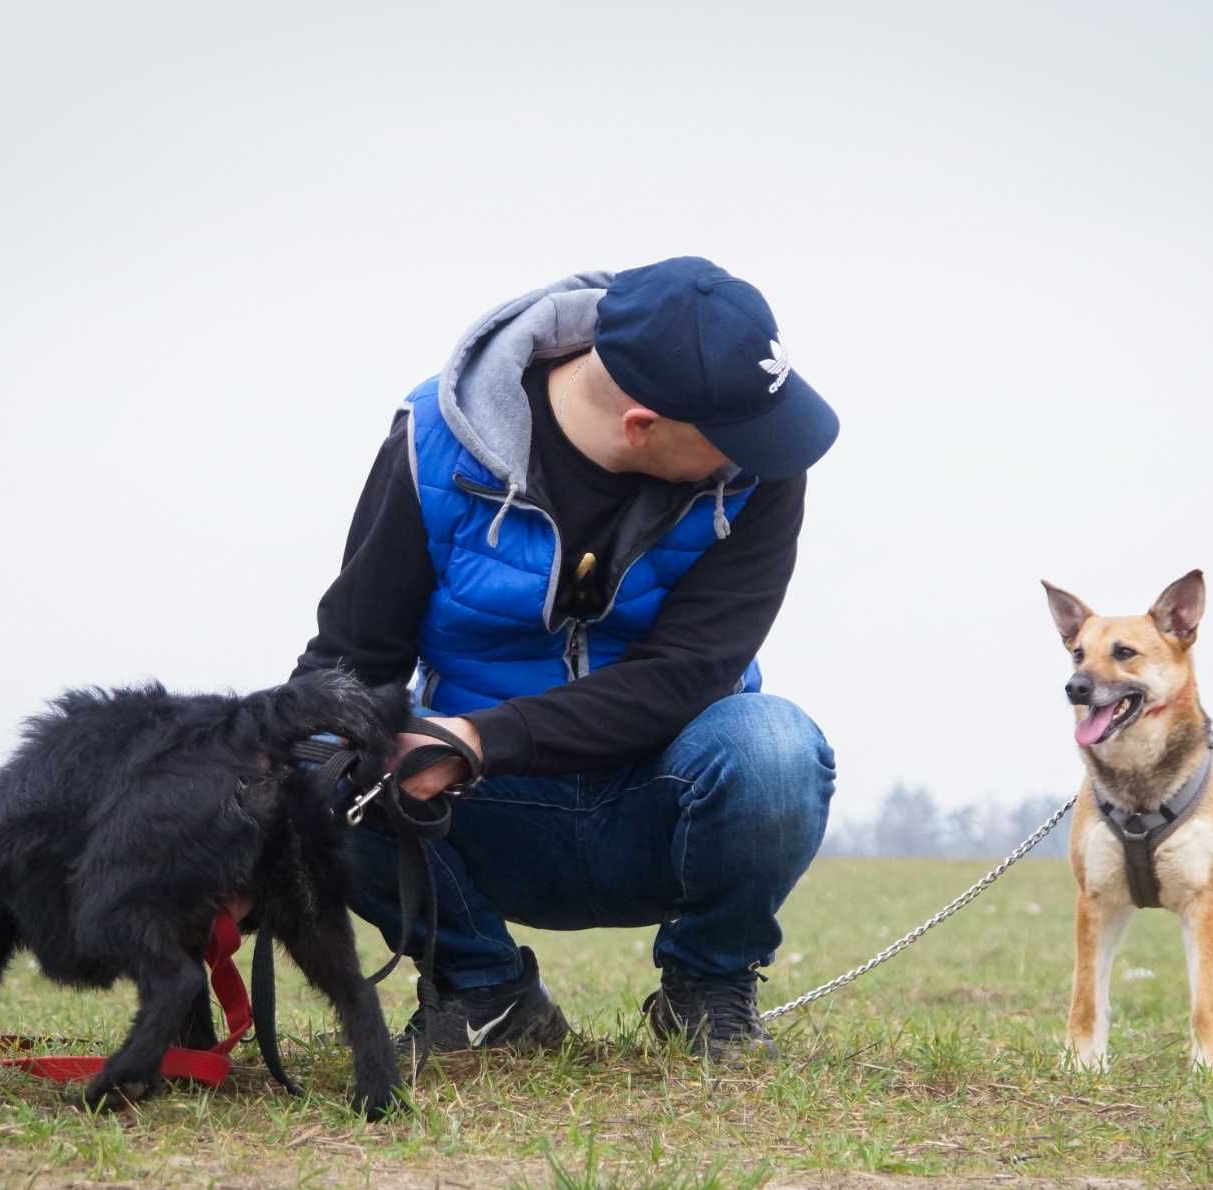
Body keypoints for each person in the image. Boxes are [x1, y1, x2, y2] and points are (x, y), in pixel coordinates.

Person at [292, 257, 838, 1061]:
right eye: (738, 439)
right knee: (322, 756)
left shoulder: (761, 473)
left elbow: (689, 674)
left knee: (775, 747)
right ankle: (484, 990)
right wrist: (295, 772)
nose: (762, 453)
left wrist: (477, 738)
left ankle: (710, 987)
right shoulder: (431, 446)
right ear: (642, 424)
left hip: (655, 795)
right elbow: (350, 661)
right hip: (480, 810)